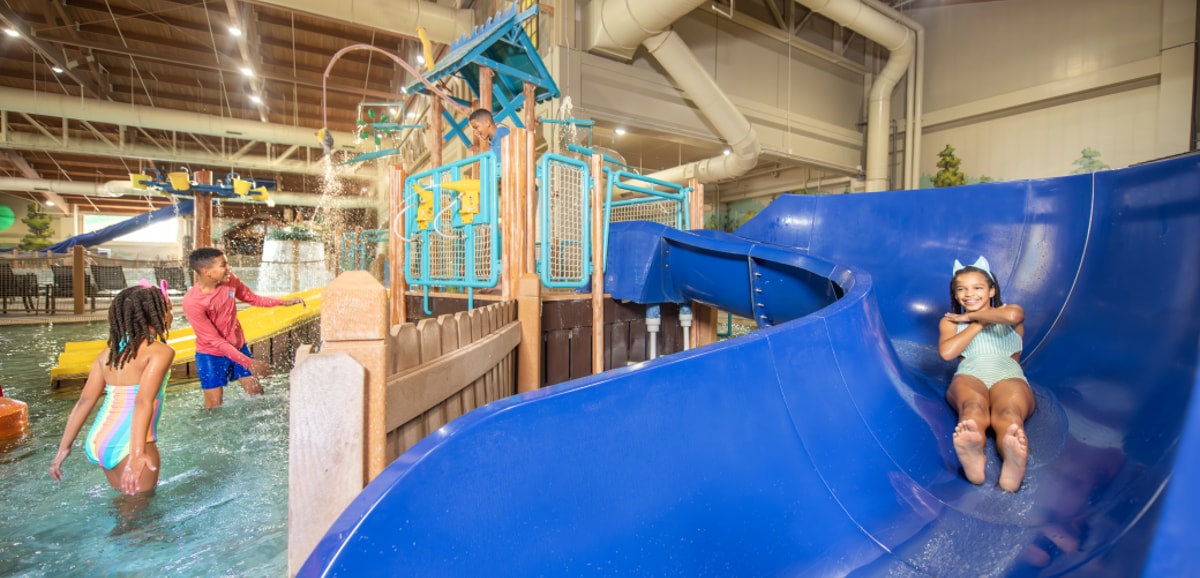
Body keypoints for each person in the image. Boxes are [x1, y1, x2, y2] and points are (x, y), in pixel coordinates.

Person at [50, 281, 175, 497]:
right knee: (140, 515)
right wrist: (137, 454)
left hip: (100, 438)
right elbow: (142, 402)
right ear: (156, 314)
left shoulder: (109, 353)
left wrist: (64, 448)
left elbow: (85, 401)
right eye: (169, 308)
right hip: (130, 443)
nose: (171, 314)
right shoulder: (159, 352)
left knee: (125, 508)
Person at [938, 256, 1035, 492]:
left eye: (978, 288)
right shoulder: (951, 322)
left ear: (992, 291)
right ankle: (974, 456)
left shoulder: (1010, 313)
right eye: (962, 289)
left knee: (1009, 414)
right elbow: (947, 353)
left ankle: (1012, 465)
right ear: (955, 294)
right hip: (971, 374)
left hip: (1008, 375)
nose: (969, 294)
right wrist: (976, 322)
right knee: (972, 410)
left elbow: (1013, 316)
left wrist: (971, 315)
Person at [183, 248, 304, 408]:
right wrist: (249, 362)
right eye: (223, 265)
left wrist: (282, 302)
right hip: (211, 356)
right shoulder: (193, 303)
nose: (229, 268)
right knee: (213, 405)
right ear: (207, 272)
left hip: (238, 348)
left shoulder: (230, 281)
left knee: (257, 394)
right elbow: (215, 341)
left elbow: (252, 298)